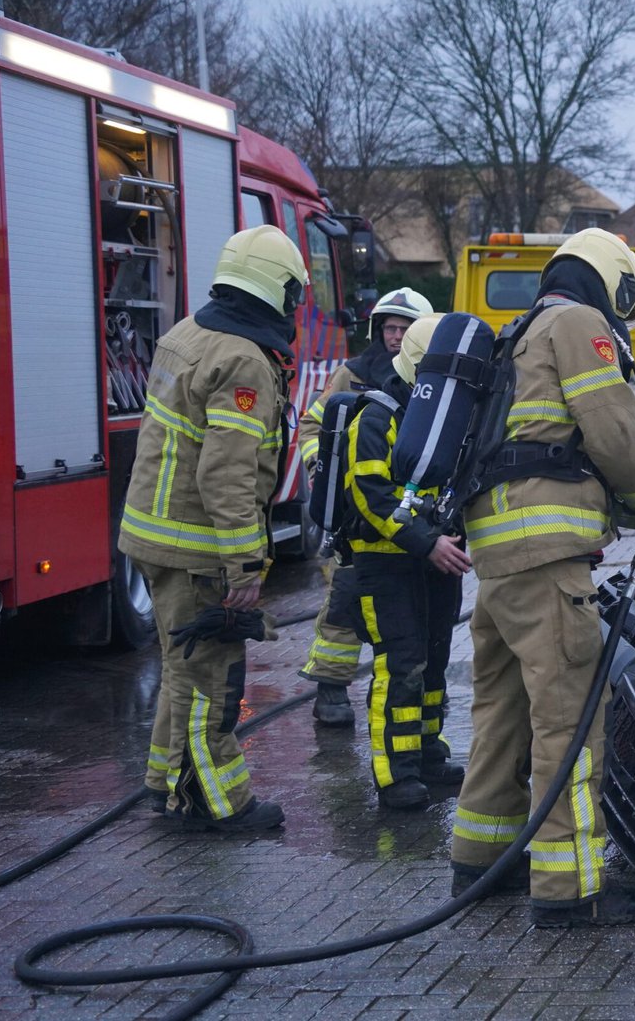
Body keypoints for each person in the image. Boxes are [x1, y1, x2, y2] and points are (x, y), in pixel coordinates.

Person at [448, 229, 635, 926]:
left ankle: (480, 860)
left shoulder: (522, 330)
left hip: (499, 558)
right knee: (568, 725)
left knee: (500, 715)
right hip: (547, 558)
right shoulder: (581, 324)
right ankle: (570, 892)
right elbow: (615, 439)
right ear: (610, 282)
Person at [120, 225, 309, 832]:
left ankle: (164, 783)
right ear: (276, 290)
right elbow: (226, 475)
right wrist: (245, 566)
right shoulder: (244, 360)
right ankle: (221, 804)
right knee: (211, 677)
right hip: (197, 546)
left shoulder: (185, 335)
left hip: (154, 535)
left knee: (181, 665)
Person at [343, 313, 474, 810]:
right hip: (387, 564)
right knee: (399, 665)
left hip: (433, 559)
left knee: (435, 659)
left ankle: (426, 753)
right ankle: (394, 774)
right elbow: (372, 496)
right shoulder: (376, 417)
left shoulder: (443, 414)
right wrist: (427, 542)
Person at [296, 287, 433, 725]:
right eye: (390, 328)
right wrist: (321, 466)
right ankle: (331, 688)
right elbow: (312, 424)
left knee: (411, 613)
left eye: (405, 328)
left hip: (410, 514)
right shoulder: (352, 375)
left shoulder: (431, 382)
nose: (396, 336)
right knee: (344, 600)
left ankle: (413, 691)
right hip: (355, 515)